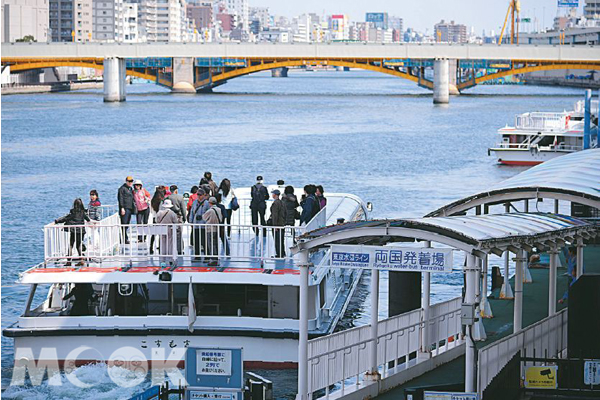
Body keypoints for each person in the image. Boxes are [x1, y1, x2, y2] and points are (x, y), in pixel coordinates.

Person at [55, 198, 90, 266]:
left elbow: (65, 218)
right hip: (81, 231)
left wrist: (57, 221)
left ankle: (69, 261)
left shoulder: (73, 212)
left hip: (73, 231)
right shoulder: (83, 212)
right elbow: (88, 219)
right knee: (78, 245)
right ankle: (81, 259)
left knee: (71, 245)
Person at [189, 188, 210, 260]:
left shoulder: (207, 203)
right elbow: (192, 212)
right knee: (196, 241)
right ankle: (197, 256)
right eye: (197, 194)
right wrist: (191, 222)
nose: (198, 196)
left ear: (204, 195)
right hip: (196, 224)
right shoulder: (194, 202)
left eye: (200, 195)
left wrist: (203, 218)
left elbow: (208, 213)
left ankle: (207, 256)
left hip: (203, 225)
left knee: (204, 241)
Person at [202, 197, 223, 266]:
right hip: (217, 229)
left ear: (210, 203)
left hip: (210, 229)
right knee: (216, 244)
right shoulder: (219, 209)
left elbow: (204, 217)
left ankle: (213, 259)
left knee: (211, 244)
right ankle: (216, 258)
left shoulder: (210, 210)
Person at [167, 185, 187, 254]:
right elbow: (183, 209)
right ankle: (179, 250)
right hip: (178, 216)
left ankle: (170, 249)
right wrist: (184, 218)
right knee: (179, 233)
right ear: (176, 190)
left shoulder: (167, 197)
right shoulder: (180, 197)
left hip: (169, 217)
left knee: (170, 234)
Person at [118, 176, 135, 244]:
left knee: (127, 224)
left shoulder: (130, 188)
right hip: (125, 208)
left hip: (129, 208)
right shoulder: (122, 189)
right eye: (129, 181)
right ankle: (123, 238)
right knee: (124, 224)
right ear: (126, 181)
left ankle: (124, 237)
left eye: (131, 181)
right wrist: (122, 208)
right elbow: (120, 198)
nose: (130, 182)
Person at [269, 189, 286, 258]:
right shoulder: (282, 202)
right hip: (282, 223)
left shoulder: (275, 203)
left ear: (275, 195)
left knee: (277, 240)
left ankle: (279, 254)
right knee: (281, 239)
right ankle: (282, 252)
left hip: (277, 224)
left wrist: (275, 225)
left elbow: (275, 215)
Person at [149, 188, 165, 254]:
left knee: (154, 234)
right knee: (161, 234)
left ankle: (151, 247)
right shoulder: (161, 201)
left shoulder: (152, 201)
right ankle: (160, 247)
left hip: (154, 218)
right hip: (161, 218)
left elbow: (151, 211)